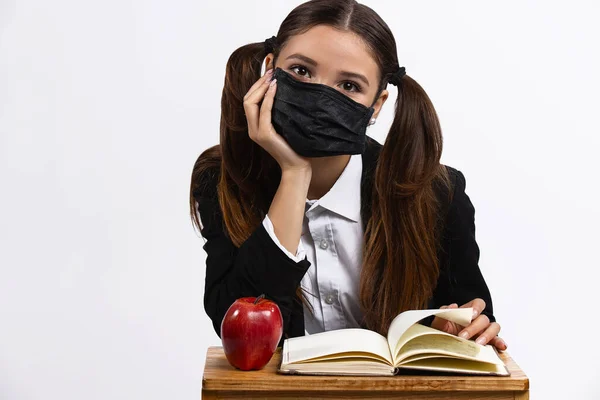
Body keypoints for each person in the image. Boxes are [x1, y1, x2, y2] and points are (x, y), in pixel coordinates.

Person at [189, 0, 507, 351]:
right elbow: (237, 330)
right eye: (301, 71)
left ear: (377, 104)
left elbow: (473, 318)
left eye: (349, 86)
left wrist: (462, 328)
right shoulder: (222, 180)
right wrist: (295, 174)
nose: (320, 95)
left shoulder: (437, 193)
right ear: (270, 67)